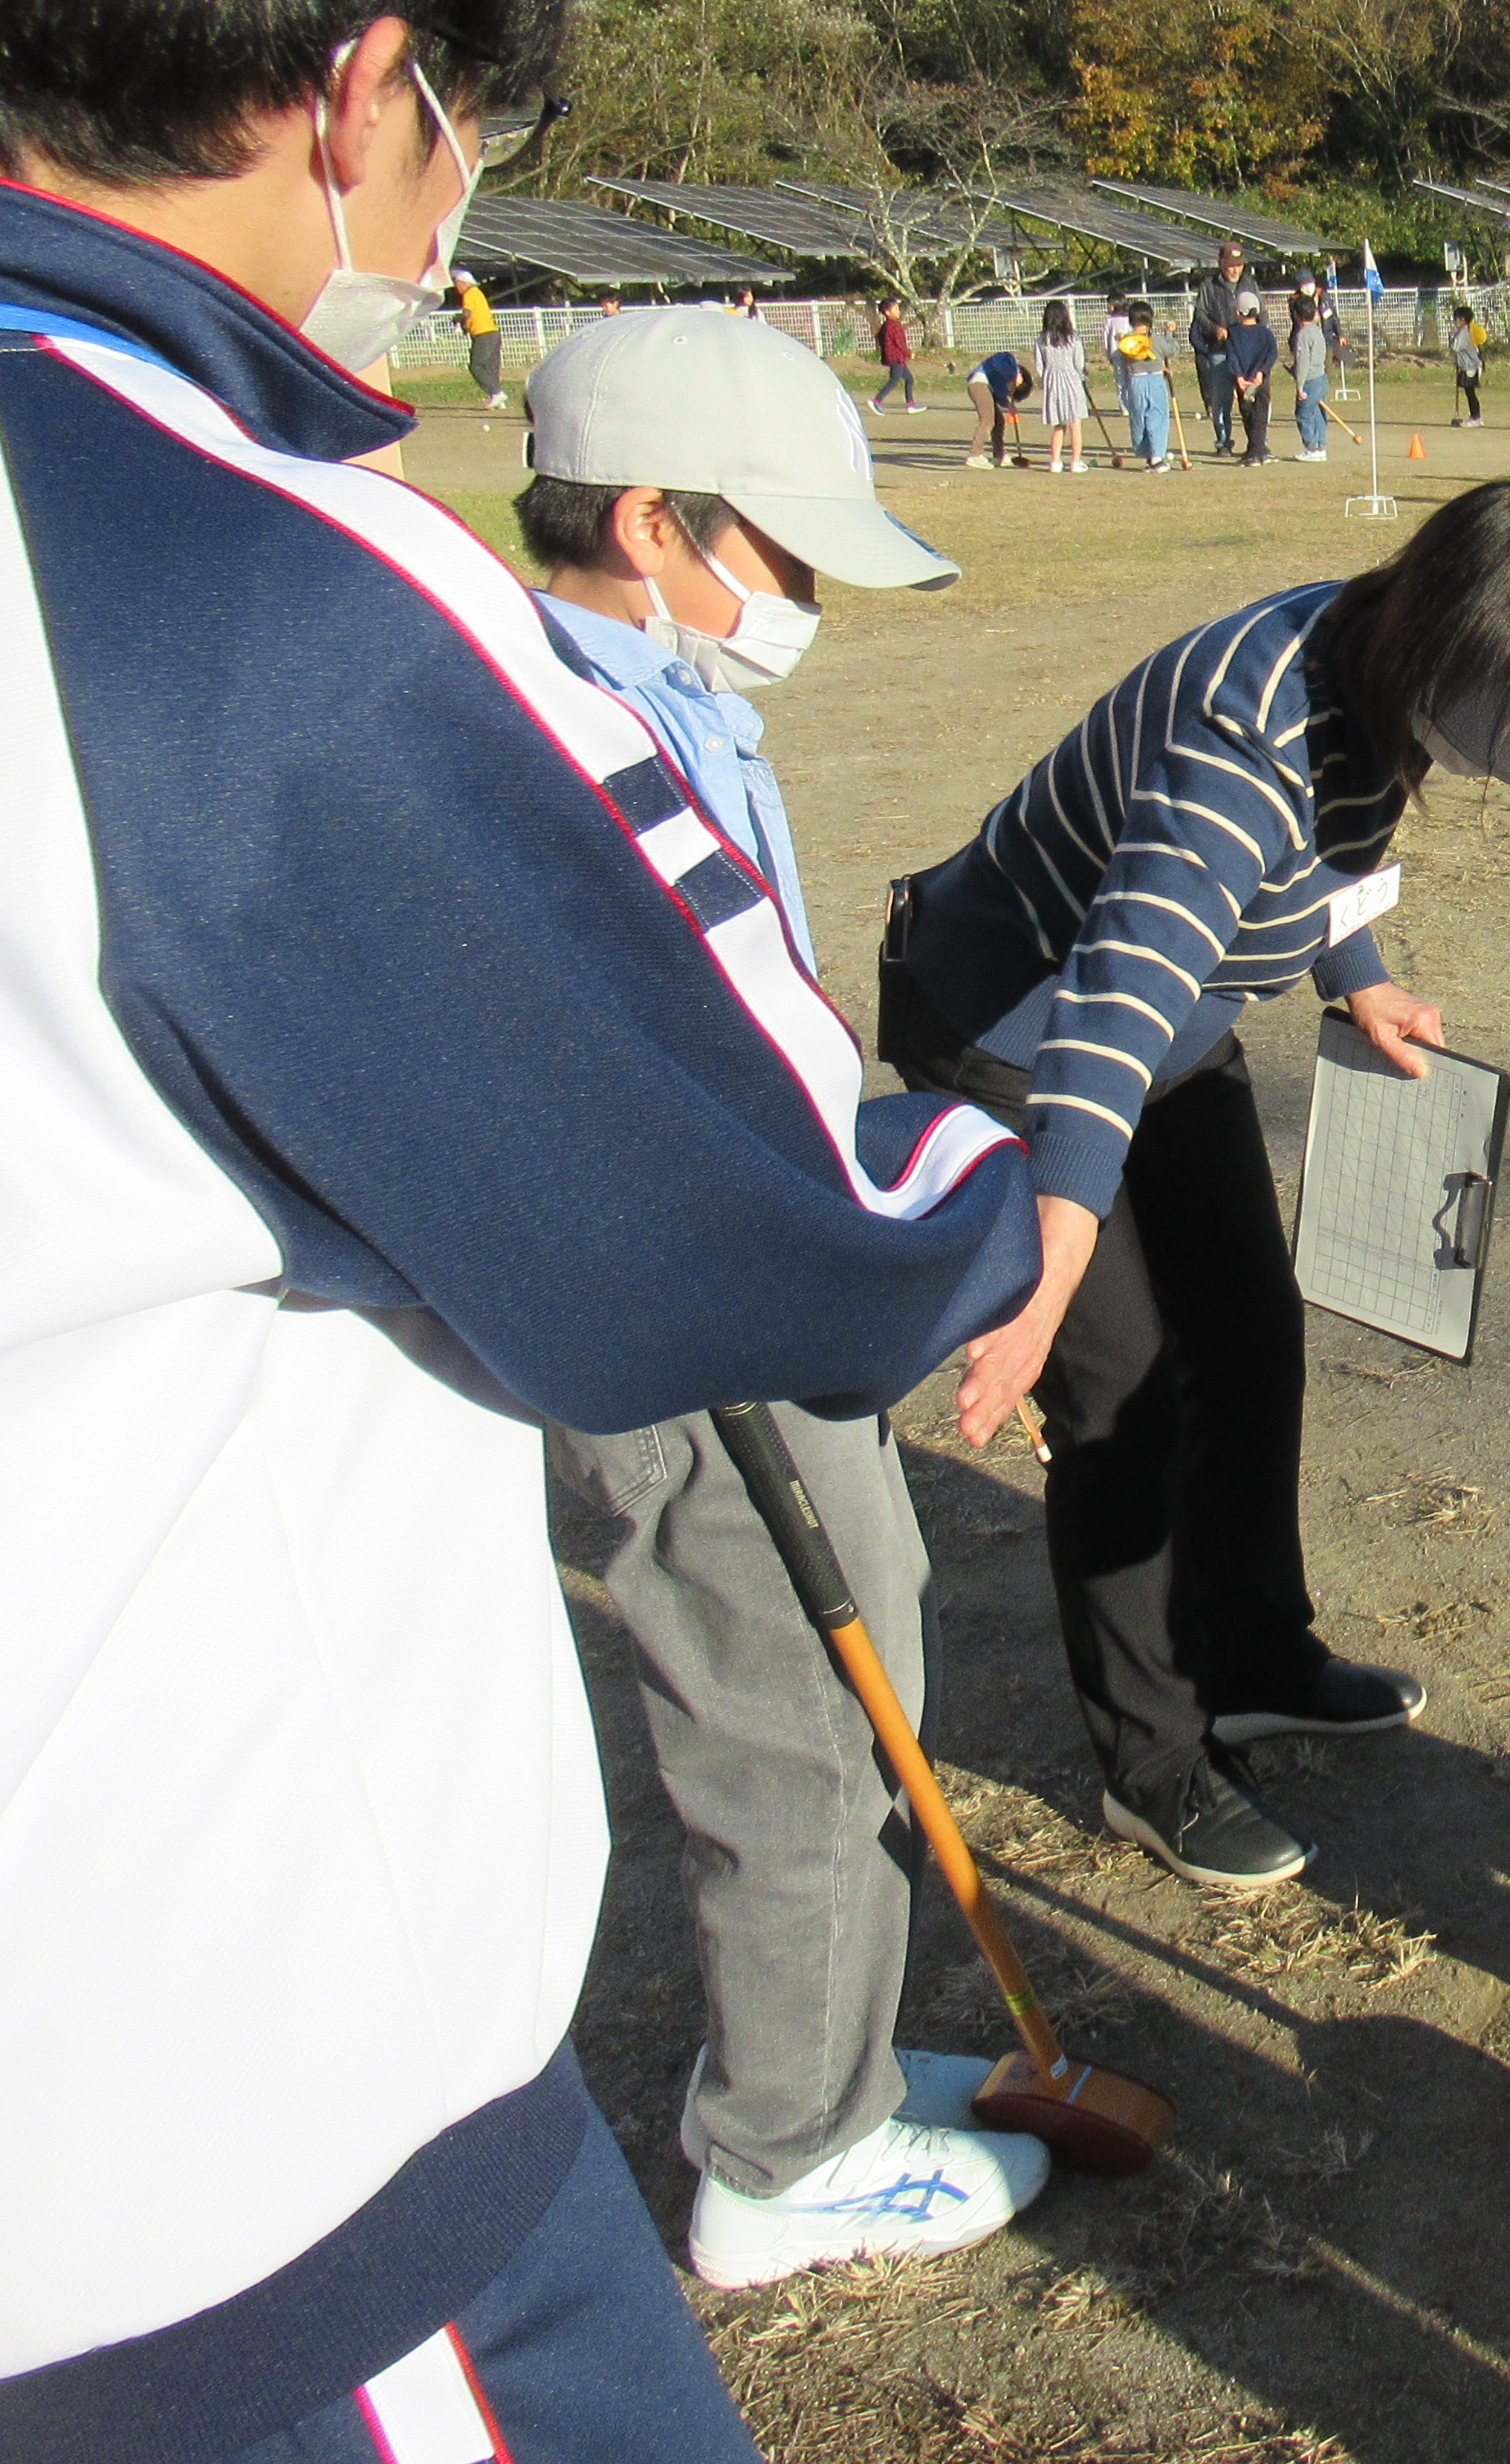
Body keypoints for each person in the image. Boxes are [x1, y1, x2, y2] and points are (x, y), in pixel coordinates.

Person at [0, 0, 1035, 2451]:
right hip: (206, 2171)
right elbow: (767, 1214)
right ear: (358, 89)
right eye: (469, 120)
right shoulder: (233, 567)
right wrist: (1021, 1181)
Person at [878, 483, 1510, 1890]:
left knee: (1249, 1322)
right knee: (1120, 1385)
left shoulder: (1374, 664)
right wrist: (1050, 1263)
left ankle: (1252, 1648)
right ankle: (1155, 1760)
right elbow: (1108, 1008)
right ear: (1438, 645)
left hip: (1170, 1029)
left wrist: (1360, 984)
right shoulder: (1234, 755)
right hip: (1021, 1036)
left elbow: (1335, 857)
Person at [513, 308, 1050, 2288]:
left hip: (768, 1274)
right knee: (797, 1719)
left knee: (867, 1661)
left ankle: (824, 2068)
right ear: (657, 525)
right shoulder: (567, 733)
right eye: (787, 551)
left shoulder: (670, 697)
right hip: (691, 1312)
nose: (806, 595)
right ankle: (781, 2163)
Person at [1189, 241, 1251, 455]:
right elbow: (1200, 315)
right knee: (1221, 401)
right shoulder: (1209, 286)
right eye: (1231, 265)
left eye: (1239, 265)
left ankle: (1257, 442)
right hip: (1219, 351)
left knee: (1250, 399)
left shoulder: (1250, 284)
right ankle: (1224, 442)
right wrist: (1216, 329)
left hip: (1246, 351)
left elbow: (1261, 314)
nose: (1236, 269)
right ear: (1221, 264)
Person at [1115, 299, 1173, 469]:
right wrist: (1169, 334)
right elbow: (1172, 349)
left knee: (1138, 418)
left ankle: (1146, 453)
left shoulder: (1127, 342)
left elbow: (1120, 359)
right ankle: (1157, 457)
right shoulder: (1156, 340)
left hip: (1135, 381)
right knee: (1158, 417)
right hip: (1155, 380)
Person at [1033, 296, 1089, 473]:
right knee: (1075, 424)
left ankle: (1055, 461)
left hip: (1053, 383)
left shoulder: (1042, 340)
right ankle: (1076, 461)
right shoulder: (1073, 339)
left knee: (1058, 425)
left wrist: (1046, 379)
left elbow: (1040, 366)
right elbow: (1079, 363)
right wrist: (1082, 375)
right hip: (1071, 381)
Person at [1225, 291, 1277, 462]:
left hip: (1244, 382)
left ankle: (1256, 453)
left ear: (1238, 312)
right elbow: (1272, 354)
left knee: (1248, 415)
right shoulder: (1266, 333)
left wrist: (1239, 376)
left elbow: (1232, 356)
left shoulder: (1234, 334)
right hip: (1261, 381)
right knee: (1260, 416)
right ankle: (1258, 450)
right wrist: (1262, 372)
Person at [967, 340, 1033, 467]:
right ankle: (975, 455)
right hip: (979, 384)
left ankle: (999, 455)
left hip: (986, 387)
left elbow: (1000, 395)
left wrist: (1009, 405)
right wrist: (1014, 375)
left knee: (999, 421)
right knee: (988, 420)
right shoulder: (1009, 362)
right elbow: (998, 363)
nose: (1011, 390)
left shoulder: (1004, 383)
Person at [1290, 286, 1332, 459]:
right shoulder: (1318, 330)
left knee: (1304, 413)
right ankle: (1321, 446)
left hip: (1310, 380)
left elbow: (1302, 362)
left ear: (1298, 316)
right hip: (1322, 378)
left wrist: (1300, 386)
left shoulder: (1303, 335)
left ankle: (1312, 448)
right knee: (1318, 413)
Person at [456, 264, 505, 406]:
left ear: (464, 283)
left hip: (483, 334)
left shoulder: (469, 294)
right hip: (493, 333)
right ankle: (497, 399)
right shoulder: (478, 293)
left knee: (476, 366)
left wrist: (458, 318)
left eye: (457, 284)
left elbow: (467, 313)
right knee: (491, 368)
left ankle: (497, 393)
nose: (457, 288)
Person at [869, 294, 920, 413]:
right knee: (895, 381)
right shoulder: (894, 326)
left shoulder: (886, 326)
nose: (898, 311)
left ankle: (911, 404)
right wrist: (909, 354)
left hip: (896, 358)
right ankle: (877, 401)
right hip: (897, 358)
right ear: (887, 312)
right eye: (895, 309)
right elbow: (900, 344)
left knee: (909, 379)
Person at [1449, 297, 1486, 425]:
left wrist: (1452, 337)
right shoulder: (1464, 331)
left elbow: (1456, 347)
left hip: (1470, 366)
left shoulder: (1464, 331)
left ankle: (1476, 417)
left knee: (1470, 392)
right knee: (1469, 392)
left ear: (1462, 320)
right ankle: (1476, 417)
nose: (1455, 322)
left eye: (1457, 319)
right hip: (1468, 365)